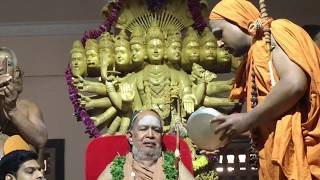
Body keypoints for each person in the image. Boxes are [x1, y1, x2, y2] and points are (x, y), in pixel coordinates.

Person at [206, 0, 320, 179]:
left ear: (239, 20)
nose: (219, 44)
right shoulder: (255, 54)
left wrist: (248, 119)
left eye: (220, 34)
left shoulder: (275, 31)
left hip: (307, 156)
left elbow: (294, 84)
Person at [98, 109, 194, 180]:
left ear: (161, 137)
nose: (150, 135)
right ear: (131, 137)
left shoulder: (175, 165)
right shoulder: (116, 167)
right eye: (143, 129)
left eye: (156, 130)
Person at [0, 47, 48, 158]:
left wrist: (13, 111)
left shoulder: (28, 107)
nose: (1, 68)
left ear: (15, 73)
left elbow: (41, 140)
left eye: (7, 64)